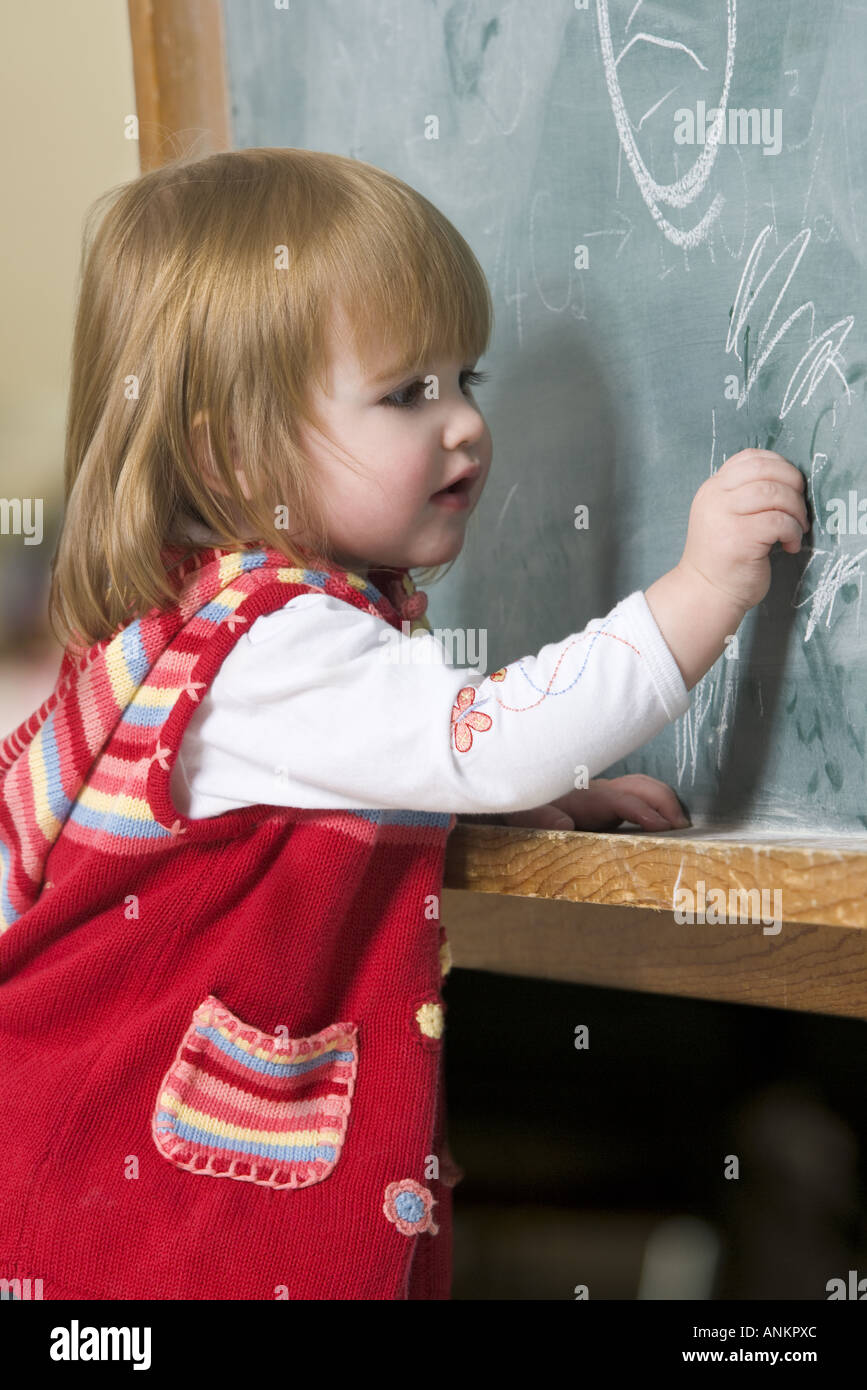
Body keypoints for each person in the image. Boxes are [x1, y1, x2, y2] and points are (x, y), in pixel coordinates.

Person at [0, 148, 808, 1301]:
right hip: (163, 1240)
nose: (468, 424)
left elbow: (348, 774)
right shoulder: (275, 643)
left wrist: (535, 801)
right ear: (229, 445)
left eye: (464, 377)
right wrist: (699, 591)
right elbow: (490, 732)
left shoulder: (203, 622)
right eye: (406, 394)